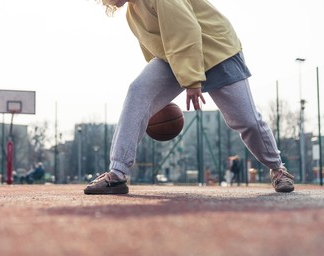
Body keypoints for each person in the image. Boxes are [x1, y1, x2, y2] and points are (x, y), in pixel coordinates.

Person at [85, 0, 294, 194]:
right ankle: (117, 173)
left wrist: (192, 80)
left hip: (215, 48)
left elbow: (186, 30)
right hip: (176, 57)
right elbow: (155, 48)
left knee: (246, 121)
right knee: (138, 91)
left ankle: (278, 169)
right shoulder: (133, 13)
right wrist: (160, 97)